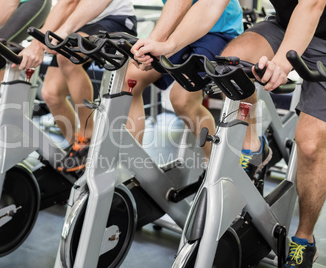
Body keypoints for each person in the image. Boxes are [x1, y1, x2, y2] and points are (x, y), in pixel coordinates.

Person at [134, 0, 326, 267]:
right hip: (284, 26)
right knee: (227, 69)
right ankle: (255, 145)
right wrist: (169, 44)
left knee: (310, 145)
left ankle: (304, 240)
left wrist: (281, 63)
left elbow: (312, 5)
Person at [17, 0, 137, 173]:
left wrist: (40, 45)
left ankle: (88, 135)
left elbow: (70, 3)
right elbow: (63, 4)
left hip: (115, 19)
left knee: (66, 57)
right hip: (83, 23)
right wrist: (38, 43)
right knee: (51, 94)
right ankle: (77, 145)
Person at [123, 0, 243, 164]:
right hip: (180, 29)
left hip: (218, 29)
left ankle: (214, 166)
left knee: (182, 100)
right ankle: (134, 167)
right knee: (131, 80)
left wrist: (149, 46)